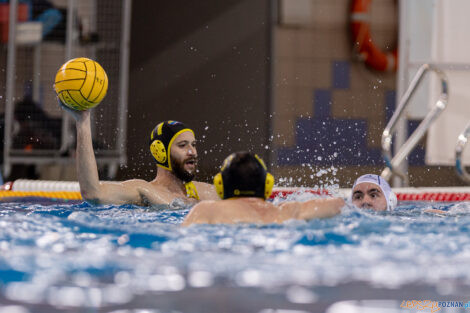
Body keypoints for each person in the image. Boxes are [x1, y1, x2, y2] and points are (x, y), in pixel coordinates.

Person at [63, 105, 219, 206]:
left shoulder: (204, 192)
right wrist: (82, 122)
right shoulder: (143, 190)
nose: (192, 152)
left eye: (193, 144)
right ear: (160, 151)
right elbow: (93, 194)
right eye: (182, 145)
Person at [182, 151, 344, 226]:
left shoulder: (206, 210)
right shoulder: (286, 211)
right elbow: (338, 205)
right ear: (267, 185)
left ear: (220, 185)